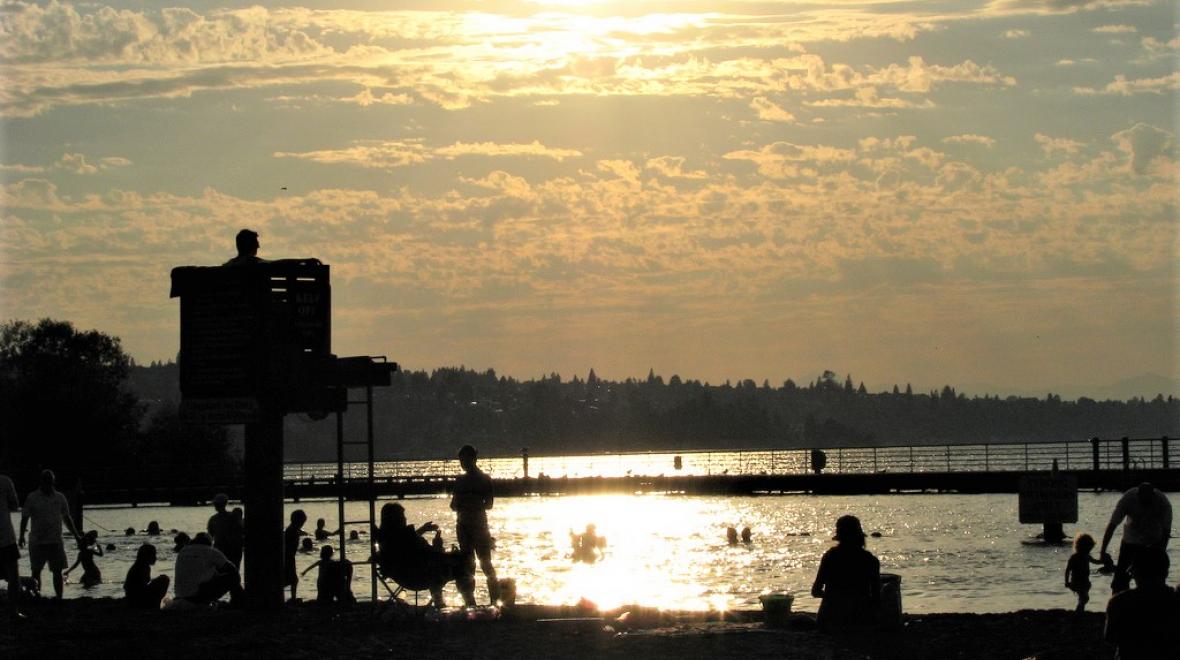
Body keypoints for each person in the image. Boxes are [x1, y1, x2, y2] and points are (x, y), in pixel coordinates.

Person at [377, 502, 474, 607]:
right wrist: (441, 548)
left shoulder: (386, 539)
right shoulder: (406, 537)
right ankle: (469, 603)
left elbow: (409, 547)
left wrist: (423, 530)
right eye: (403, 516)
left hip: (404, 577)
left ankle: (439, 603)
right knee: (462, 564)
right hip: (421, 577)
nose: (405, 519)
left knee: (438, 567)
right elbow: (431, 555)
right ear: (397, 519)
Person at [1104, 547, 1180, 659]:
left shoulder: (1118, 602)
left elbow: (1110, 638)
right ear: (1166, 572)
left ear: (1134, 572)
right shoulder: (1175, 600)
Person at [810, 515, 881, 632]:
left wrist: (833, 596)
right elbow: (876, 597)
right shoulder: (870, 560)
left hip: (829, 620)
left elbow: (815, 591)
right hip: (860, 622)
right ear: (860, 537)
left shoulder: (829, 557)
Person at [19, 469, 82, 599]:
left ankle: (59, 597)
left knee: (57, 571)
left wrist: (76, 536)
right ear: (41, 481)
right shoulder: (32, 497)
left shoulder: (60, 497)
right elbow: (25, 517)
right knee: (36, 571)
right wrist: (21, 536)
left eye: (50, 480)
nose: (48, 483)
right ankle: (37, 596)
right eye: (45, 480)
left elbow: (67, 518)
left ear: (53, 481)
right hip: (37, 541)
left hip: (55, 540)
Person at [1099, 482, 1173, 593]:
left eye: (1148, 501)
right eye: (1143, 501)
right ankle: (1118, 604)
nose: (1145, 504)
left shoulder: (1163, 503)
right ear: (1137, 496)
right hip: (1130, 541)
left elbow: (1166, 532)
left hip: (1153, 542)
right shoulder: (1128, 499)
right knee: (1120, 579)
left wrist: (1161, 553)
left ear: (1153, 496)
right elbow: (1112, 525)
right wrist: (1103, 551)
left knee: (1152, 579)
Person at [451, 444, 499, 605]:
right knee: (478, 564)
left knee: (476, 563)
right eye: (460, 460)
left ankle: (480, 600)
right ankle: (484, 600)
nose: (462, 463)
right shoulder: (483, 479)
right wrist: (474, 503)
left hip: (471, 525)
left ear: (473, 459)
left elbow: (454, 505)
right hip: (471, 524)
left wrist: (467, 503)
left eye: (463, 459)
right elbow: (489, 504)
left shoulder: (466, 481)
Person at [174, 532, 242, 606]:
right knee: (234, 577)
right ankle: (237, 601)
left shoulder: (183, 551)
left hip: (180, 595)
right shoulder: (211, 551)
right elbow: (232, 569)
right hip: (197, 597)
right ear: (209, 543)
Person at [0, 472, 24, 620]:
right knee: (13, 576)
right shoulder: (5, 481)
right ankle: (13, 610)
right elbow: (15, 505)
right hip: (5, 535)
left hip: (6, 535)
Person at [1065, 533, 1104, 614]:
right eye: (1088, 548)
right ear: (1082, 546)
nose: (1089, 551)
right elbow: (1068, 570)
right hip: (1076, 581)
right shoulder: (1074, 557)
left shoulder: (1087, 556)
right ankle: (1079, 609)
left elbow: (1095, 562)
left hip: (1085, 581)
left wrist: (1103, 561)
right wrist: (1066, 582)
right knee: (1084, 597)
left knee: (1083, 597)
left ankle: (1080, 611)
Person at [123, 543, 170, 609]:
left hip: (131, 599)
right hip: (137, 600)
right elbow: (141, 589)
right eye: (154, 555)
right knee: (164, 579)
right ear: (147, 556)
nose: (155, 557)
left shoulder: (138, 565)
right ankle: (155, 606)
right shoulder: (143, 567)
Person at [206, 494, 244, 568]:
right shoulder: (233, 517)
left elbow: (210, 536)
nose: (215, 506)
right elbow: (240, 531)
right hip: (232, 549)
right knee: (234, 570)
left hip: (221, 549)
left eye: (216, 504)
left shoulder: (213, 519)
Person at [284, 509, 308, 601]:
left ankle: (292, 597)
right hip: (289, 557)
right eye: (302, 522)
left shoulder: (293, 529)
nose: (302, 524)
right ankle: (292, 598)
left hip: (290, 556)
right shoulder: (292, 530)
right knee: (292, 579)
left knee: (292, 579)